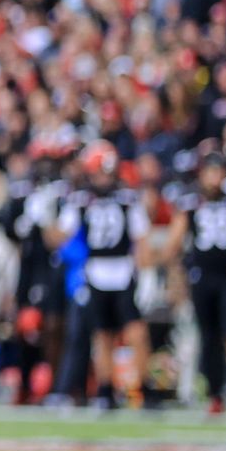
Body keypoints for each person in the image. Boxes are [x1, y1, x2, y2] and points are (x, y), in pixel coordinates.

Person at [44, 143, 150, 409]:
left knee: (136, 333)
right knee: (102, 335)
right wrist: (46, 216)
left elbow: (142, 238)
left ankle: (144, 387)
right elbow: (59, 237)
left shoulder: (127, 198)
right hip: (97, 270)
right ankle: (105, 389)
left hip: (123, 269)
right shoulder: (80, 200)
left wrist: (145, 270)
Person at [163, 153, 226, 412]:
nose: (214, 177)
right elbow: (174, 242)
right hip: (202, 276)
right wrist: (173, 271)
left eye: (218, 172)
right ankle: (215, 392)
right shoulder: (190, 203)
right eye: (210, 171)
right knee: (209, 337)